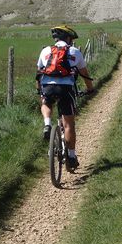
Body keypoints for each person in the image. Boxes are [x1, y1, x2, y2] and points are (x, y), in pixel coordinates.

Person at [37, 25, 94, 172]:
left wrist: (40, 90)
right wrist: (90, 89)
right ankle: (71, 156)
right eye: (71, 39)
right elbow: (85, 74)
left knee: (46, 102)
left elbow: (39, 72)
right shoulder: (75, 52)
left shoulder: (45, 51)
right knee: (69, 125)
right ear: (68, 38)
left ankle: (47, 124)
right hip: (66, 89)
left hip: (47, 86)